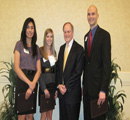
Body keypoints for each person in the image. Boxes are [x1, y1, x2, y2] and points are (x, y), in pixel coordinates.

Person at [83, 5, 111, 120]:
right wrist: (83, 85)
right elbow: (87, 64)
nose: (91, 16)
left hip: (99, 91)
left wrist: (103, 90)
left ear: (97, 15)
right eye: (89, 14)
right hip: (87, 91)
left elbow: (106, 65)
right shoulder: (86, 37)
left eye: (93, 14)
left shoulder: (104, 36)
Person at [14, 17, 41, 120]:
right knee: (22, 115)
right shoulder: (19, 45)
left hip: (33, 82)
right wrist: (29, 84)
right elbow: (16, 68)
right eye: (28, 27)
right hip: (22, 82)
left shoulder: (37, 48)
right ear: (24, 29)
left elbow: (39, 70)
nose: (30, 30)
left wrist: (32, 85)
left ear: (34, 30)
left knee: (30, 116)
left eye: (32, 28)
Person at [56, 22, 84, 120]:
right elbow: (58, 69)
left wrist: (66, 87)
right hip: (62, 95)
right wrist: (59, 85)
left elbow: (78, 72)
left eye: (68, 31)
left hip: (72, 95)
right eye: (65, 32)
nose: (66, 34)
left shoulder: (79, 49)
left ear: (72, 32)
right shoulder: (61, 48)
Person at [39, 28, 57, 120]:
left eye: (51, 36)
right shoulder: (40, 51)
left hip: (52, 87)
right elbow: (39, 72)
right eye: (48, 36)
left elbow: (56, 72)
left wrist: (56, 88)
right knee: (43, 116)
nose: (49, 38)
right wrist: (44, 89)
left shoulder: (54, 53)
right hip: (44, 87)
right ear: (45, 38)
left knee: (50, 116)